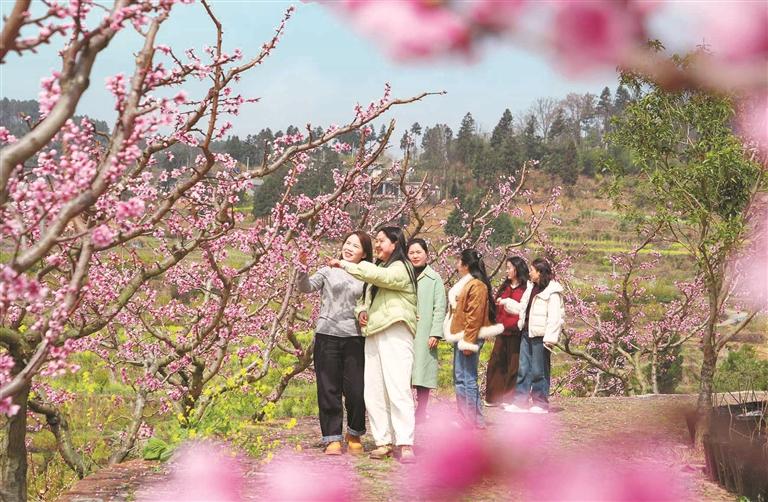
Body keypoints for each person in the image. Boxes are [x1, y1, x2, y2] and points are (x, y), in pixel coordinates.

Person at [329, 226, 418, 463]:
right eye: (375, 241)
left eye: (381, 241)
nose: (377, 245)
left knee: (398, 388)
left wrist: (347, 264)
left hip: (396, 330)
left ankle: (405, 442)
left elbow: (383, 279)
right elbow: (363, 298)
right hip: (374, 332)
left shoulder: (402, 267)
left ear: (395, 244)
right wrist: (361, 311)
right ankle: (383, 441)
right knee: (374, 391)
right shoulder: (378, 268)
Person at [297, 231, 373, 455]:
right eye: (347, 243)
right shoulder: (328, 270)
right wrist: (301, 267)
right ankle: (332, 438)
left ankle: (355, 432)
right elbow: (306, 287)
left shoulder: (368, 275)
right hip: (327, 335)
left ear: (365, 253)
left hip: (356, 337)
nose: (349, 248)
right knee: (328, 388)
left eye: (355, 246)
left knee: (356, 389)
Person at [444, 249, 504, 428]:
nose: (456, 265)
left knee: (466, 379)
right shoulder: (469, 283)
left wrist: (468, 342)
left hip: (468, 336)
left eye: (458, 261)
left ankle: (468, 419)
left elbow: (474, 315)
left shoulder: (476, 285)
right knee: (462, 377)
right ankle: (475, 419)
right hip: (463, 334)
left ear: (466, 265)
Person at [504, 258, 565, 414]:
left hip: (541, 336)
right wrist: (507, 303)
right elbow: (523, 308)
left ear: (539, 272)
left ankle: (540, 403)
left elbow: (555, 317)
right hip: (527, 332)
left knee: (539, 370)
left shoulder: (552, 291)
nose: (529, 273)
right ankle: (520, 402)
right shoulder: (531, 288)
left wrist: (550, 339)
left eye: (532, 270)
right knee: (523, 368)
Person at [406, 238, 447, 423]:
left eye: (418, 252)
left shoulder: (434, 278)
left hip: (425, 331)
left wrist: (435, 332)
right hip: (406, 328)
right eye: (411, 253)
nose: (415, 256)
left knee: (423, 371)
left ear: (426, 254)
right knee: (405, 371)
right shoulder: (404, 275)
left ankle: (421, 410)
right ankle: (405, 409)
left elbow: (440, 307)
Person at [484, 256, 531, 406]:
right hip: (502, 331)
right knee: (496, 363)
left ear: (517, 269)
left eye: (509, 267)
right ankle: (493, 397)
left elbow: (523, 310)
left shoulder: (525, 289)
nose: (507, 270)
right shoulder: (505, 287)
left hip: (516, 333)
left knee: (514, 366)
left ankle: (509, 399)